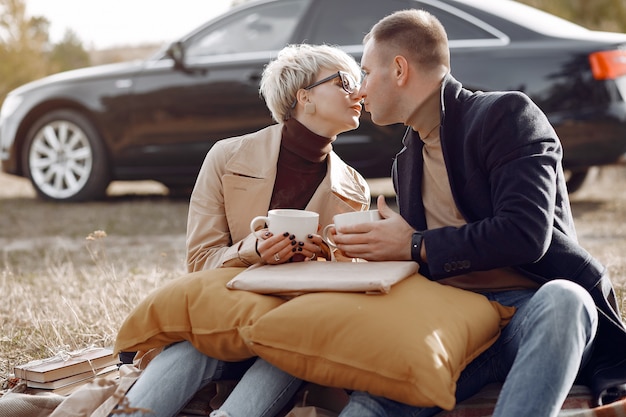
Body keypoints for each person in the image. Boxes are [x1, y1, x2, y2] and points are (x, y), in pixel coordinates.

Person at [328, 9, 626, 417]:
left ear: (399, 69)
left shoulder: (505, 116)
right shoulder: (405, 162)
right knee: (373, 402)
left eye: (365, 72)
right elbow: (428, 260)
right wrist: (381, 253)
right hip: (456, 327)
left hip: (533, 310)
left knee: (567, 300)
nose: (360, 90)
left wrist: (414, 244)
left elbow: (526, 233)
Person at [115, 43, 370, 417]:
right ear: (305, 97)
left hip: (295, 337)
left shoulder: (355, 188)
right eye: (346, 82)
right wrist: (251, 251)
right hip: (221, 323)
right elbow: (200, 262)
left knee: (282, 356)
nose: (359, 93)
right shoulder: (225, 157)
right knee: (141, 406)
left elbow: (352, 292)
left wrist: (327, 258)